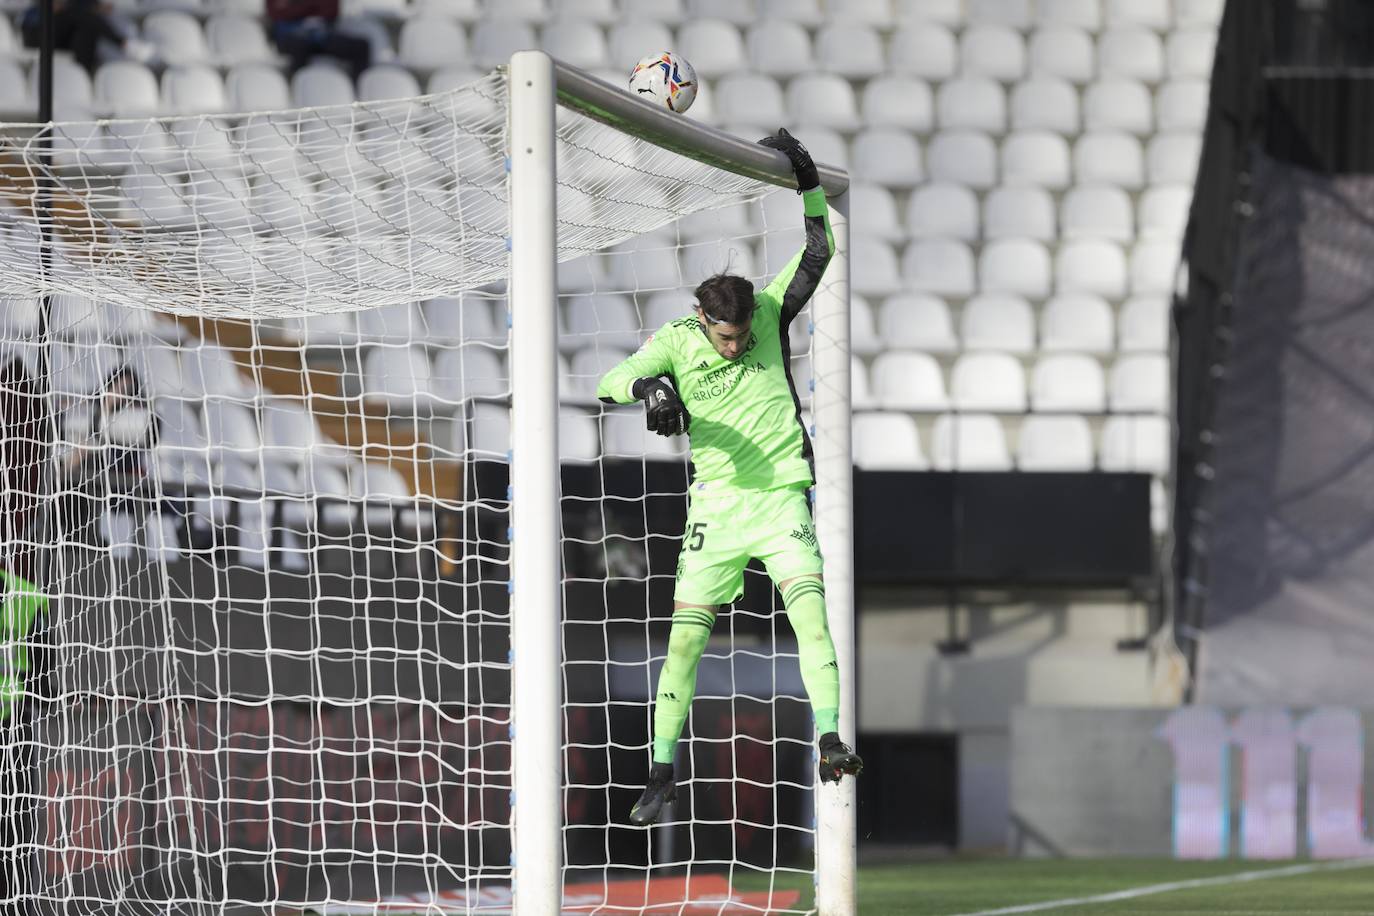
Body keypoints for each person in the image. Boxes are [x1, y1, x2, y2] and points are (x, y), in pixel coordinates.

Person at [597, 129, 863, 827]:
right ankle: (659, 774)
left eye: (743, 336)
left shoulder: (769, 315)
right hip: (717, 508)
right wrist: (652, 389)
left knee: (811, 615)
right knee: (684, 639)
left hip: (780, 499)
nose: (738, 345)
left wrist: (806, 182)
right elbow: (609, 383)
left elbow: (817, 252)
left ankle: (831, 741)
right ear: (702, 321)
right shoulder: (677, 343)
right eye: (727, 337)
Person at [20, 0, 153, 76]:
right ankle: (123, 43)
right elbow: (54, 7)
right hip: (38, 32)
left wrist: (94, 7)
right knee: (81, 15)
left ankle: (82, 76)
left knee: (86, 30)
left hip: (65, 32)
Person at [266, 0, 371, 78]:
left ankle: (358, 96)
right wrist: (313, 5)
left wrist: (296, 6)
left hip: (321, 36)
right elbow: (276, 13)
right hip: (289, 36)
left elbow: (332, 11)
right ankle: (297, 91)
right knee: (300, 46)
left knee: (361, 46)